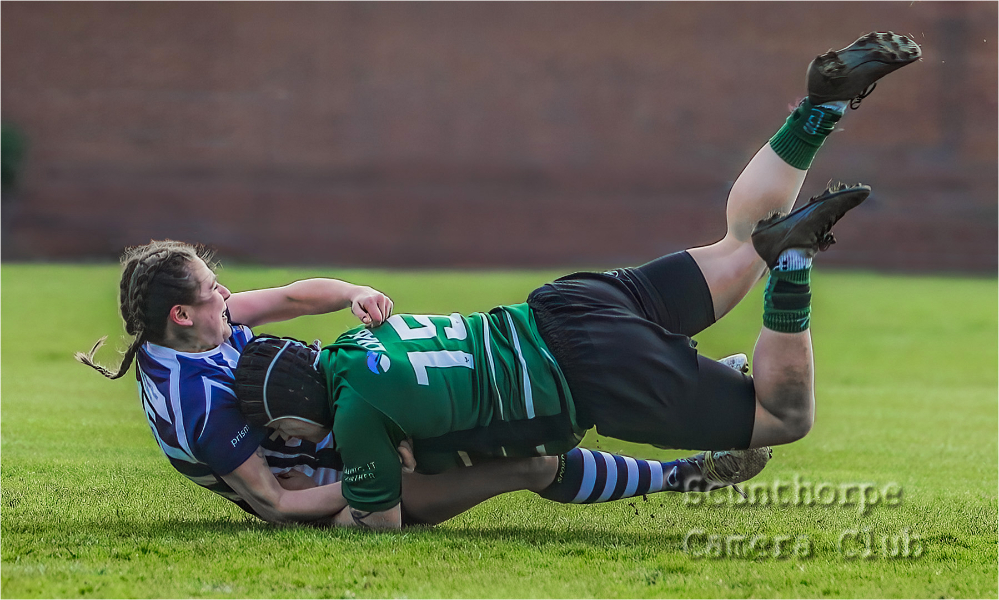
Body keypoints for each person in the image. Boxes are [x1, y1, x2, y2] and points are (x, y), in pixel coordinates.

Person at [233, 32, 921, 529]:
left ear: (295, 414)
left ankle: (794, 265)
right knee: (741, 243)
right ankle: (818, 109)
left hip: (588, 374)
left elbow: (377, 523)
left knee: (781, 420)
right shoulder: (353, 342)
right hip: (565, 304)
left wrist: (293, 504)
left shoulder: (357, 420)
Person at [77, 241, 757, 526]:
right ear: (181, 314)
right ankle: (687, 469)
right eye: (211, 288)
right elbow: (276, 503)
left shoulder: (206, 325)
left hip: (350, 429)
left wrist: (353, 292)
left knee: (463, 374)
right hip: (334, 493)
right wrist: (376, 470)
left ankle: (690, 385)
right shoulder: (195, 404)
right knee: (529, 460)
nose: (227, 292)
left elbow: (291, 296)